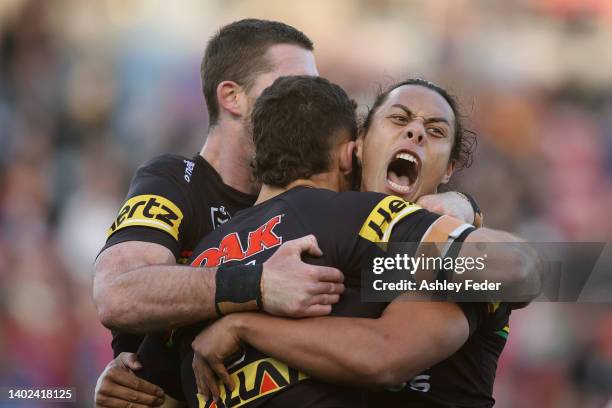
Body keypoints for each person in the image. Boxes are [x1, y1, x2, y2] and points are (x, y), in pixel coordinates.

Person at [180, 75, 541, 407]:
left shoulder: (437, 258)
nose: (416, 132)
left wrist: (243, 326)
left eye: (435, 130)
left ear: (449, 169)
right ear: (358, 145)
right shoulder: (327, 227)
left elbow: (384, 355)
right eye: (399, 120)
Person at [92, 19, 346, 408]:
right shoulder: (175, 182)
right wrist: (257, 285)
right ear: (232, 96)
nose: (310, 105)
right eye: (290, 87)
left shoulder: (339, 180)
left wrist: (461, 212)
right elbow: (117, 294)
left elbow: (472, 271)